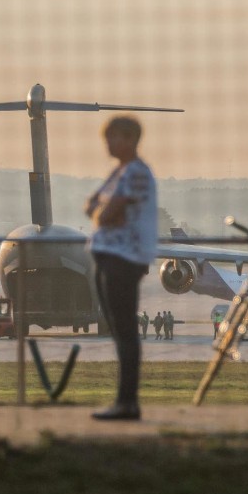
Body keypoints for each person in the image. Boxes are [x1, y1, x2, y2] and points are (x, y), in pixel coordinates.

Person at [85, 115, 157, 421]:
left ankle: (128, 403)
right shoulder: (119, 173)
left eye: (113, 138)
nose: (108, 144)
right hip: (109, 258)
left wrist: (105, 211)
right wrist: (105, 211)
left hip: (123, 260)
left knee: (125, 332)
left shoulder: (136, 173)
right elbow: (93, 208)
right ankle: (124, 401)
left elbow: (103, 213)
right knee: (119, 332)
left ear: (129, 139)